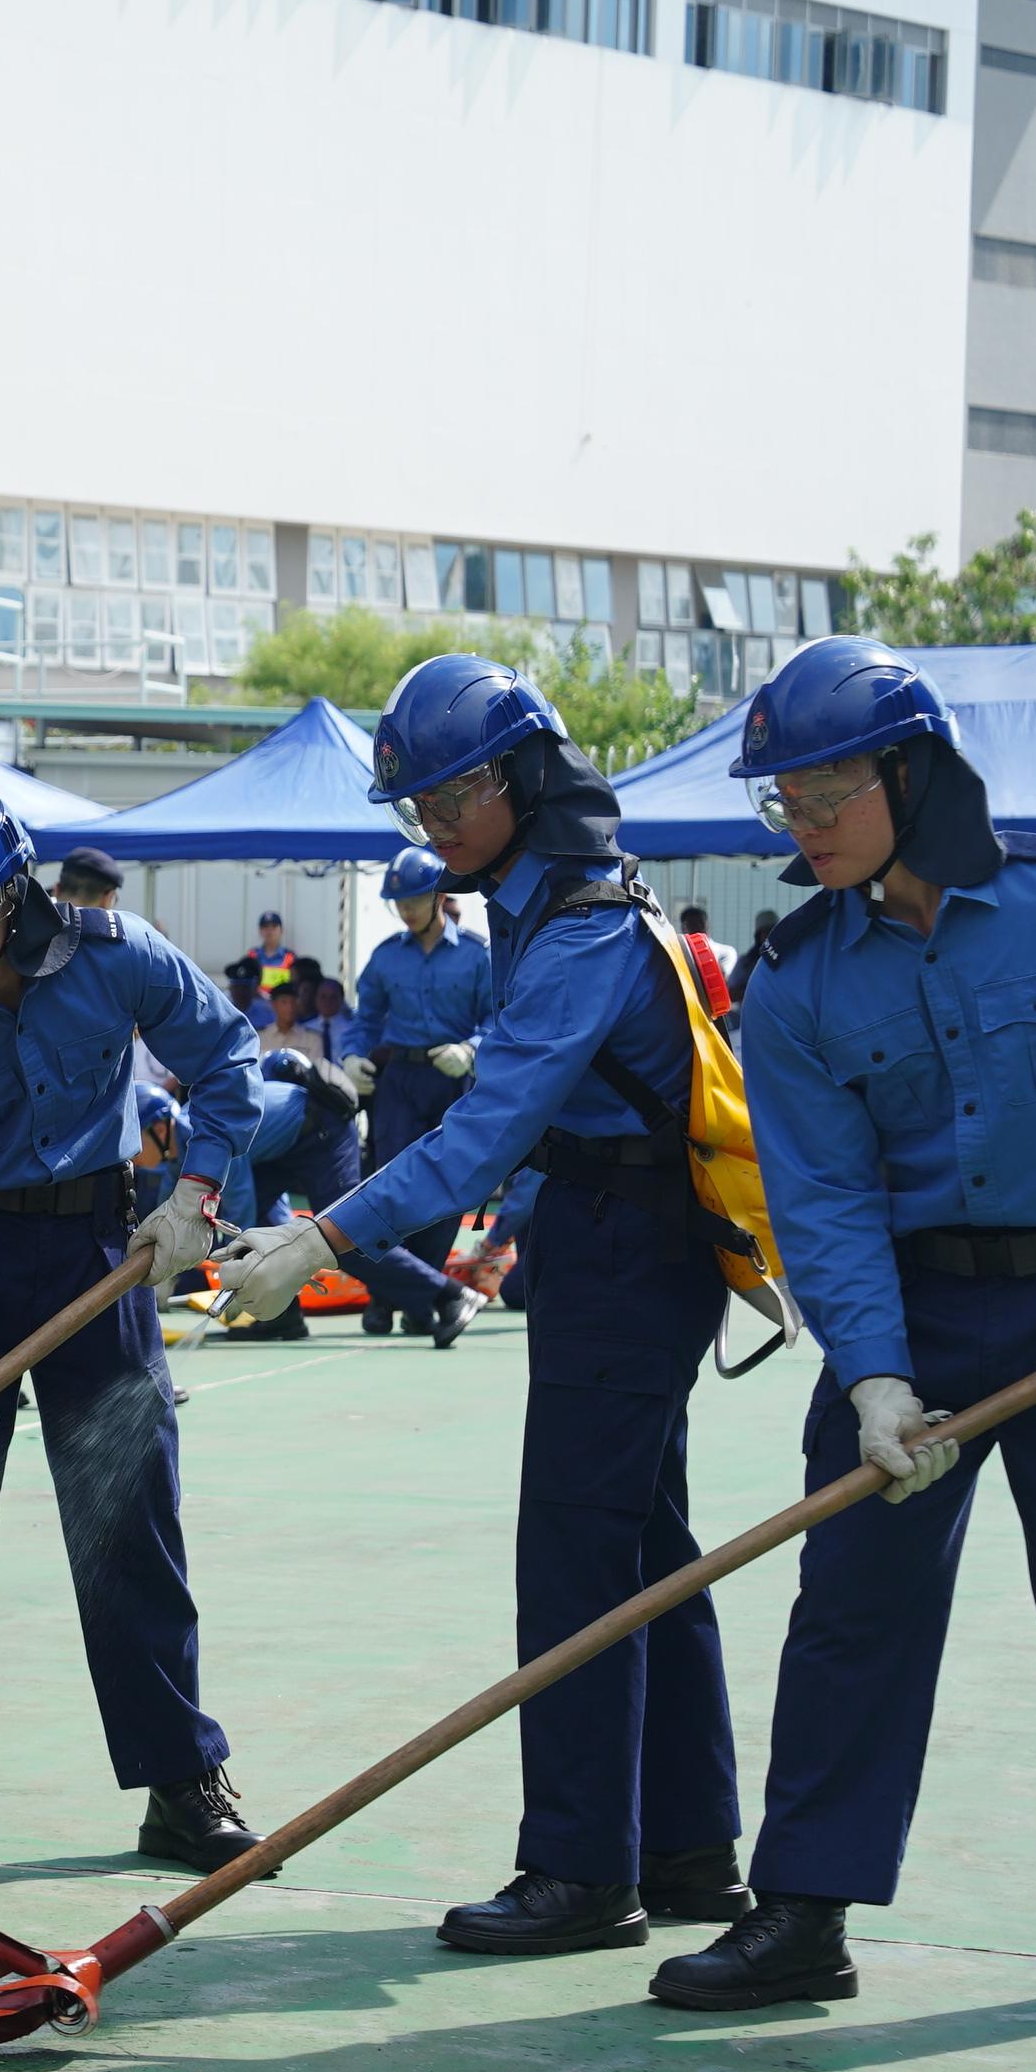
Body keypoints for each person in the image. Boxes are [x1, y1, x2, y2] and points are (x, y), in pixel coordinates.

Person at [215, 653, 750, 1959]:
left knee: (578, 1552)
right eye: (418, 809)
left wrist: (322, 1235)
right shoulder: (535, 904)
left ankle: (580, 1869)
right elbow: (546, 1133)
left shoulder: (578, 929)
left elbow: (484, 1131)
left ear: (519, 778)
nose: (435, 828)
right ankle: (683, 1849)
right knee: (645, 1546)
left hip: (631, 1250)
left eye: (451, 797)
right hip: (612, 1232)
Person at [655, 639, 1036, 2021]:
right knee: (853, 1614)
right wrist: (873, 1379)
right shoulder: (799, 984)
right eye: (781, 801)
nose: (797, 825)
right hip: (916, 1318)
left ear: (910, 773)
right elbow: (823, 1202)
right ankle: (803, 1914)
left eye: (820, 793)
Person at [0, 776, 267, 1889]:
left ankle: (182, 1781)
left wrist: (198, 1191)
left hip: (99, 1253)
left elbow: (230, 1065)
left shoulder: (119, 956)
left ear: (14, 889)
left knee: (131, 1525)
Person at [212, 1050, 478, 1345]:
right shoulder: (244, 1116)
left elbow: (238, 1200)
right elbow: (263, 1212)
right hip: (298, 1140)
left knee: (343, 1234)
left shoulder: (210, 1127)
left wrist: (239, 1259)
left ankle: (449, 1295)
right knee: (262, 1225)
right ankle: (282, 1318)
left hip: (324, 1135)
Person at [342, 845, 495, 1332]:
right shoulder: (386, 958)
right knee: (389, 1187)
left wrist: (471, 1049)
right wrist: (352, 1055)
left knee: (446, 1190)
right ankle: (389, 1298)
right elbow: (364, 1020)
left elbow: (497, 1019)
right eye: (399, 903)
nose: (405, 911)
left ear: (437, 896)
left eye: (413, 901)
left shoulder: (477, 956)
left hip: (453, 1080)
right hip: (400, 1081)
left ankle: (414, 1297)